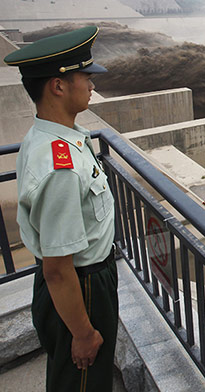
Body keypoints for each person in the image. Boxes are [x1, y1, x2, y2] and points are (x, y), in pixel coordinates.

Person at [4, 26, 117, 391]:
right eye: (86, 76)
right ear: (58, 86)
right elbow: (57, 269)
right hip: (80, 287)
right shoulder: (61, 168)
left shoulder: (46, 138)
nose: (92, 85)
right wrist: (83, 333)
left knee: (75, 378)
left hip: (79, 284)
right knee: (83, 380)